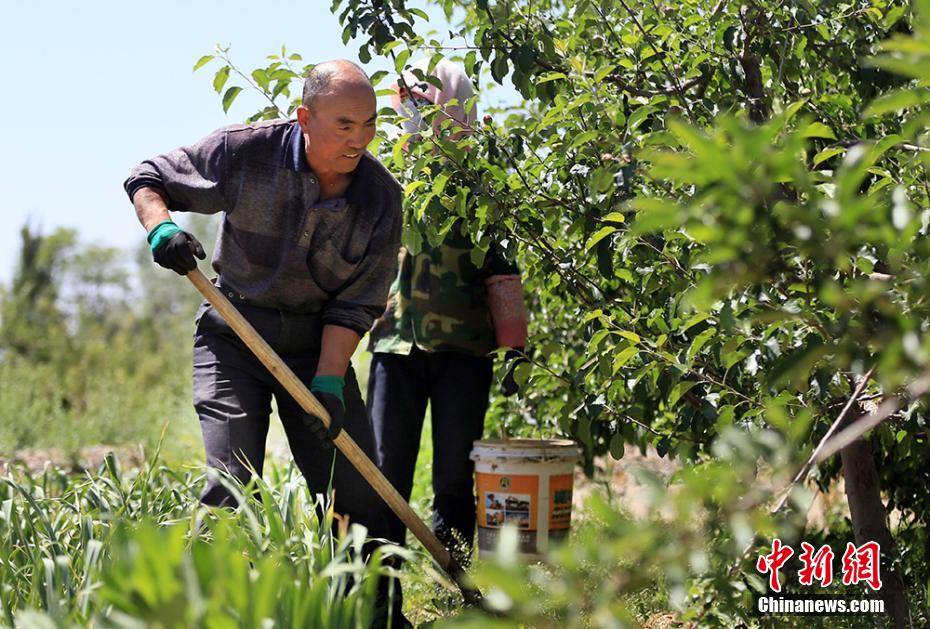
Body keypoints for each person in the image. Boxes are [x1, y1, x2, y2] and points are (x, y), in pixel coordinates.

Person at [124, 59, 408, 627]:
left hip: (316, 346)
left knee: (354, 493)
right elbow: (149, 175)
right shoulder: (247, 152)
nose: (360, 138)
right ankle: (215, 613)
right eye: (344, 124)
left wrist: (328, 381)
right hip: (235, 332)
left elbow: (358, 303)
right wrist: (161, 227)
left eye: (370, 124)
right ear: (305, 117)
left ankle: (372, 617)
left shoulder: (380, 199)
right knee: (232, 482)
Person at [367, 58, 529, 565]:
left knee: (456, 474)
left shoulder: (480, 182)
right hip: (395, 345)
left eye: (427, 105)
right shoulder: (382, 177)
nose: (417, 117)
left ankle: (458, 580)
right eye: (409, 106)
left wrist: (517, 348)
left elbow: (503, 269)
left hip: (465, 349)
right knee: (386, 470)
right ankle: (380, 585)